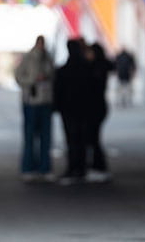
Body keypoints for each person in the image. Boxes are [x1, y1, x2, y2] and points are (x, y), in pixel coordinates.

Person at [14, 36, 55, 182]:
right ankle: (28, 167)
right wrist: (32, 81)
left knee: (46, 137)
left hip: (46, 101)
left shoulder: (49, 58)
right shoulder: (28, 58)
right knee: (30, 136)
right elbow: (18, 77)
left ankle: (45, 168)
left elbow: (53, 76)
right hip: (31, 101)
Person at [54, 39, 91, 185]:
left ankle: (73, 167)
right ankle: (81, 168)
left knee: (71, 140)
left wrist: (57, 107)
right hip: (83, 110)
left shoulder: (63, 71)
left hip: (68, 110)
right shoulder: (87, 69)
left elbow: (58, 91)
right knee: (82, 139)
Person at [86, 42, 115, 182]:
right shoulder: (102, 65)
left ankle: (99, 166)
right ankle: (97, 166)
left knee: (94, 139)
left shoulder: (95, 68)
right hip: (100, 106)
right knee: (94, 138)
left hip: (95, 107)